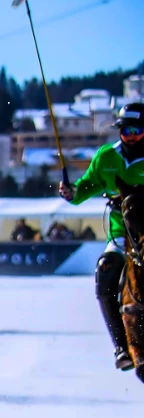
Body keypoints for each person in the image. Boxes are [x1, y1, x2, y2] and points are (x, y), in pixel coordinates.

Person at [60, 101, 144, 371]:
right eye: (125, 130)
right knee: (105, 272)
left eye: (137, 130)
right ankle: (121, 347)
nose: (130, 135)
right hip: (122, 231)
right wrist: (73, 193)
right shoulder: (106, 156)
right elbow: (88, 185)